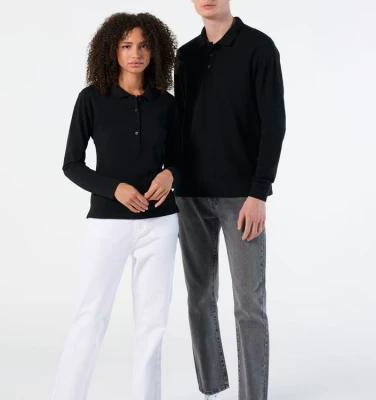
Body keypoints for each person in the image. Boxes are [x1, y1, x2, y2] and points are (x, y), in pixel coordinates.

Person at [51, 12, 181, 400]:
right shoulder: (92, 99)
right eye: (126, 46)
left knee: (153, 325)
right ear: (113, 50)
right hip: (107, 223)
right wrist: (115, 189)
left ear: (155, 51)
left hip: (161, 224)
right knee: (90, 315)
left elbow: (182, 159)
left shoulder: (167, 104)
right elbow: (72, 164)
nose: (135, 53)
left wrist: (171, 174)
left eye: (143, 46)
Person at [174, 1, 286, 399]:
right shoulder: (185, 56)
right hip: (189, 196)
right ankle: (211, 387)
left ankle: (252, 395)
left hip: (242, 197)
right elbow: (179, 124)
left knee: (249, 305)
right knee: (199, 298)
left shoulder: (259, 47)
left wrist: (259, 191)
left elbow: (274, 123)